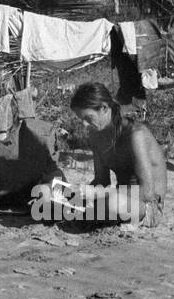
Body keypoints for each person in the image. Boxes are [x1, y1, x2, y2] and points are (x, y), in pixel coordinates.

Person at [69, 82, 166, 226]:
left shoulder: (135, 135)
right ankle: (89, 212)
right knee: (53, 195)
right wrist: (78, 192)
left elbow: (147, 192)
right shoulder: (96, 135)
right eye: (81, 119)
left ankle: (92, 213)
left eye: (88, 118)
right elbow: (101, 181)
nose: (84, 125)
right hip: (119, 197)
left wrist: (98, 194)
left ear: (104, 108)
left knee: (112, 204)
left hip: (146, 206)